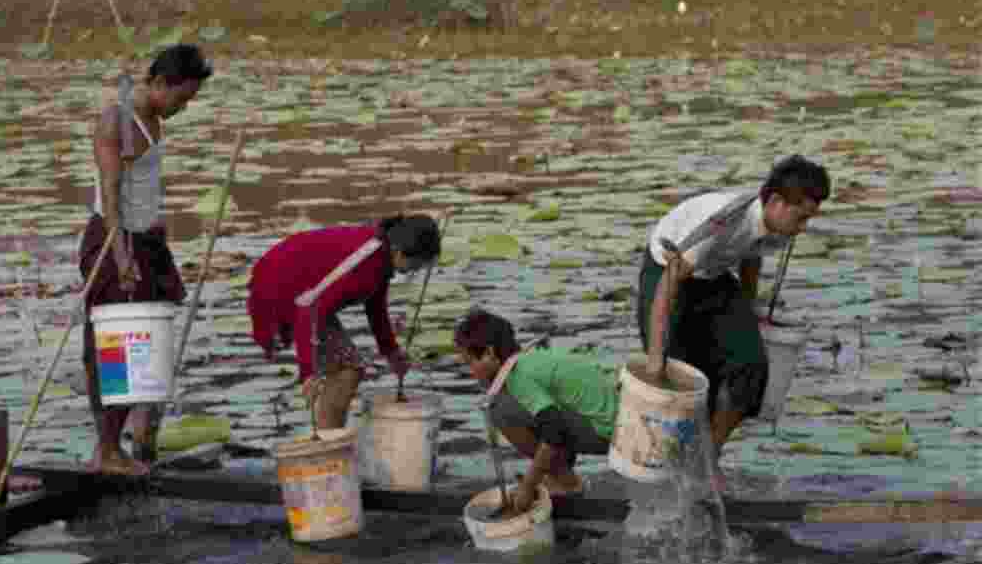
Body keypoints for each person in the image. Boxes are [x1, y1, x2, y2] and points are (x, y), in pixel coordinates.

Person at [637, 155, 831, 480]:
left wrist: (747, 309)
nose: (803, 228)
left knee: (751, 365)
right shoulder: (722, 222)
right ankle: (670, 468)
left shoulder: (779, 225)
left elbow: (752, 253)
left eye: (809, 219)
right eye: (801, 218)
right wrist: (656, 359)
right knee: (678, 376)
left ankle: (709, 457)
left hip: (713, 273)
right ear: (776, 202)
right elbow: (670, 281)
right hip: (669, 270)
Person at [80, 44, 212, 475]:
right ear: (158, 82)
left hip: (146, 238)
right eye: (181, 98)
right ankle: (107, 450)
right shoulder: (116, 121)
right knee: (116, 343)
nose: (182, 108)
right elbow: (111, 195)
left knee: (147, 338)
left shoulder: (152, 118)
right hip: (114, 240)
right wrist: (121, 257)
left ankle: (136, 439)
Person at [247, 214, 441, 430]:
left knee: (345, 368)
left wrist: (391, 352)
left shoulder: (381, 254)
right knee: (346, 370)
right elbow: (308, 310)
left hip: (301, 293)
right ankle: (327, 439)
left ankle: (328, 435)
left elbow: (375, 306)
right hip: (280, 288)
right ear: (399, 251)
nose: (415, 270)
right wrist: (308, 371)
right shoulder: (366, 259)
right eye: (415, 264)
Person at [454, 309, 618, 513]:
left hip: (610, 434)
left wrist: (528, 485)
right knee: (525, 409)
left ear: (489, 353)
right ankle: (560, 476)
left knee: (498, 409)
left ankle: (568, 483)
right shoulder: (529, 358)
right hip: (615, 424)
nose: (471, 371)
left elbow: (554, 430)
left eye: (470, 362)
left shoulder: (518, 376)